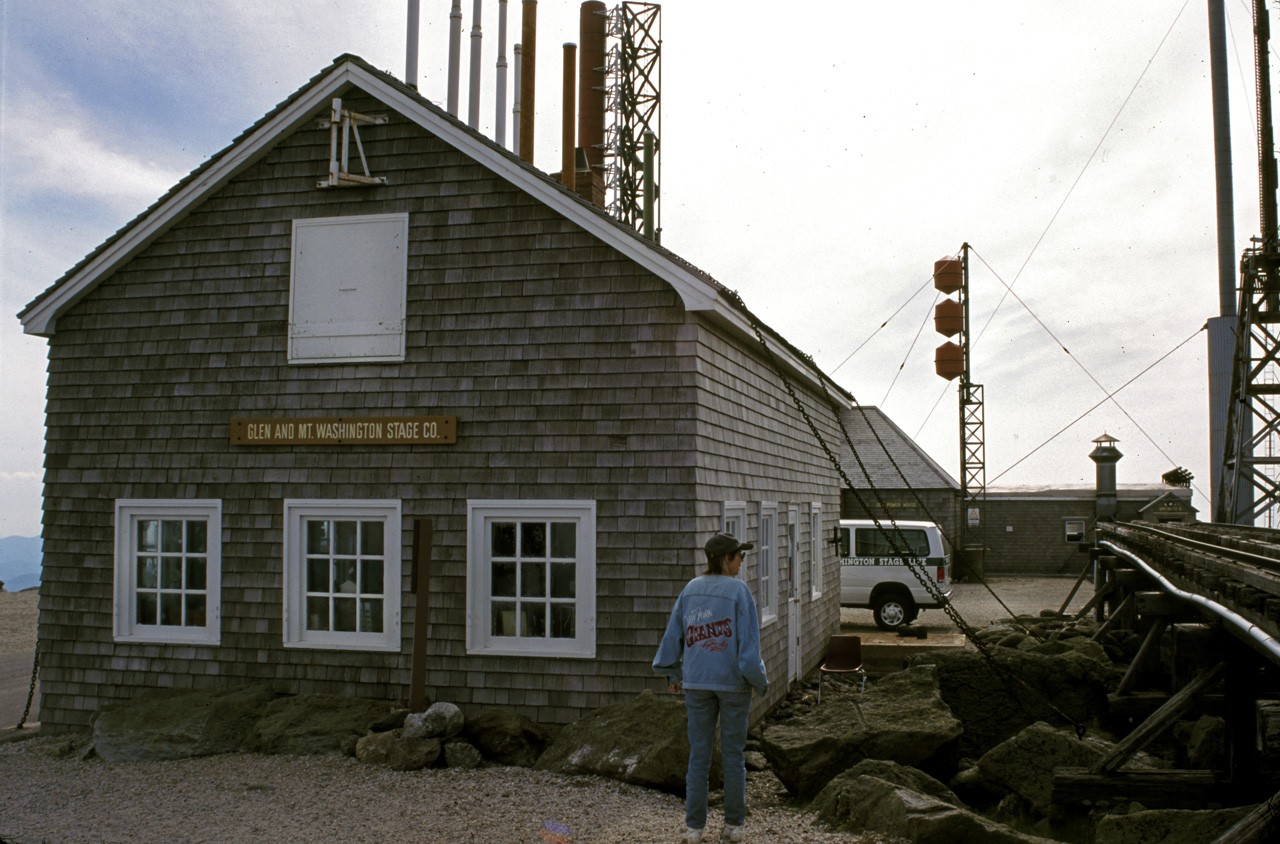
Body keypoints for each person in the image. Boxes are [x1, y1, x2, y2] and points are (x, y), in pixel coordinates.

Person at [653, 532, 769, 844]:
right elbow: (748, 653)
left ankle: (694, 828)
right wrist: (761, 682)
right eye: (739, 556)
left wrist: (671, 673)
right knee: (733, 755)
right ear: (725, 559)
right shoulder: (739, 592)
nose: (742, 561)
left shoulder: (690, 589)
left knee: (699, 756)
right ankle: (733, 826)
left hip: (696, 683)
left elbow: (672, 636)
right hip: (733, 686)